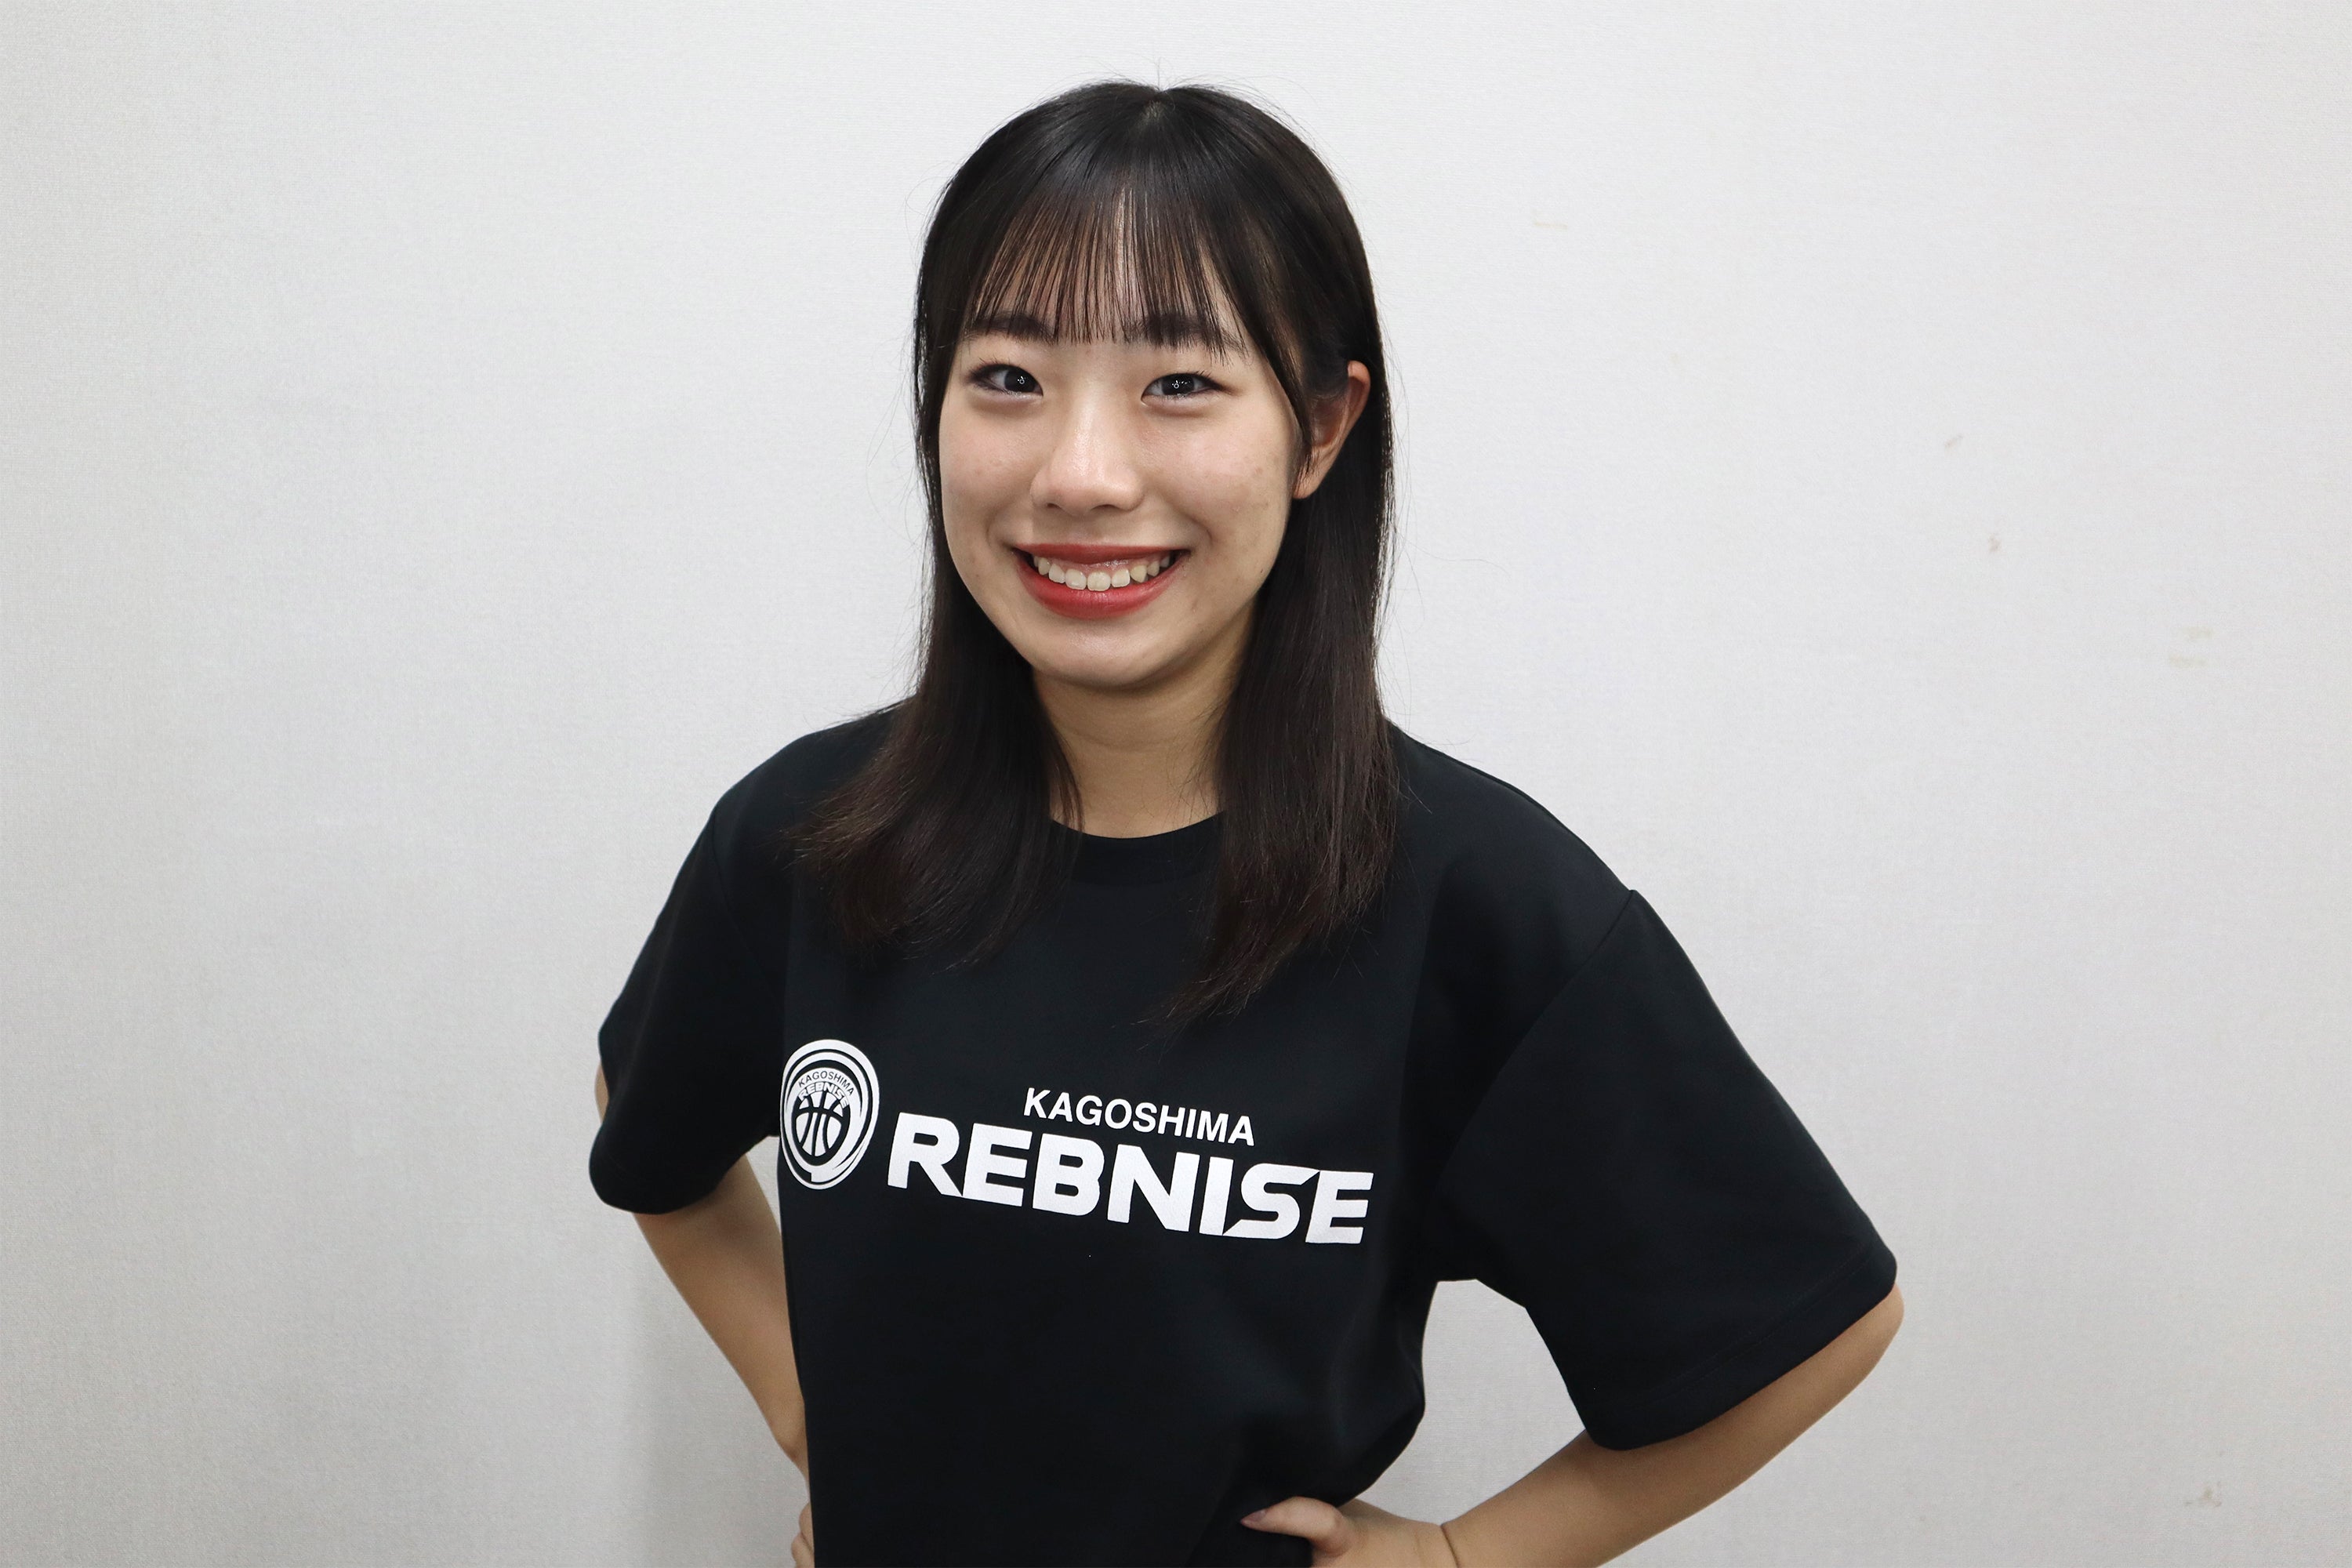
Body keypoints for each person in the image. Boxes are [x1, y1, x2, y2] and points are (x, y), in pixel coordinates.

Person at [589, 79, 1902, 1568]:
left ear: (1321, 429)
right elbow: (653, 1132)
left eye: (1179, 384)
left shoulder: (1474, 901)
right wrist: (811, 1411)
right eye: (1007, 376)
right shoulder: (815, 836)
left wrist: (1465, 1558)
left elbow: (1805, 1324)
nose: (1081, 475)